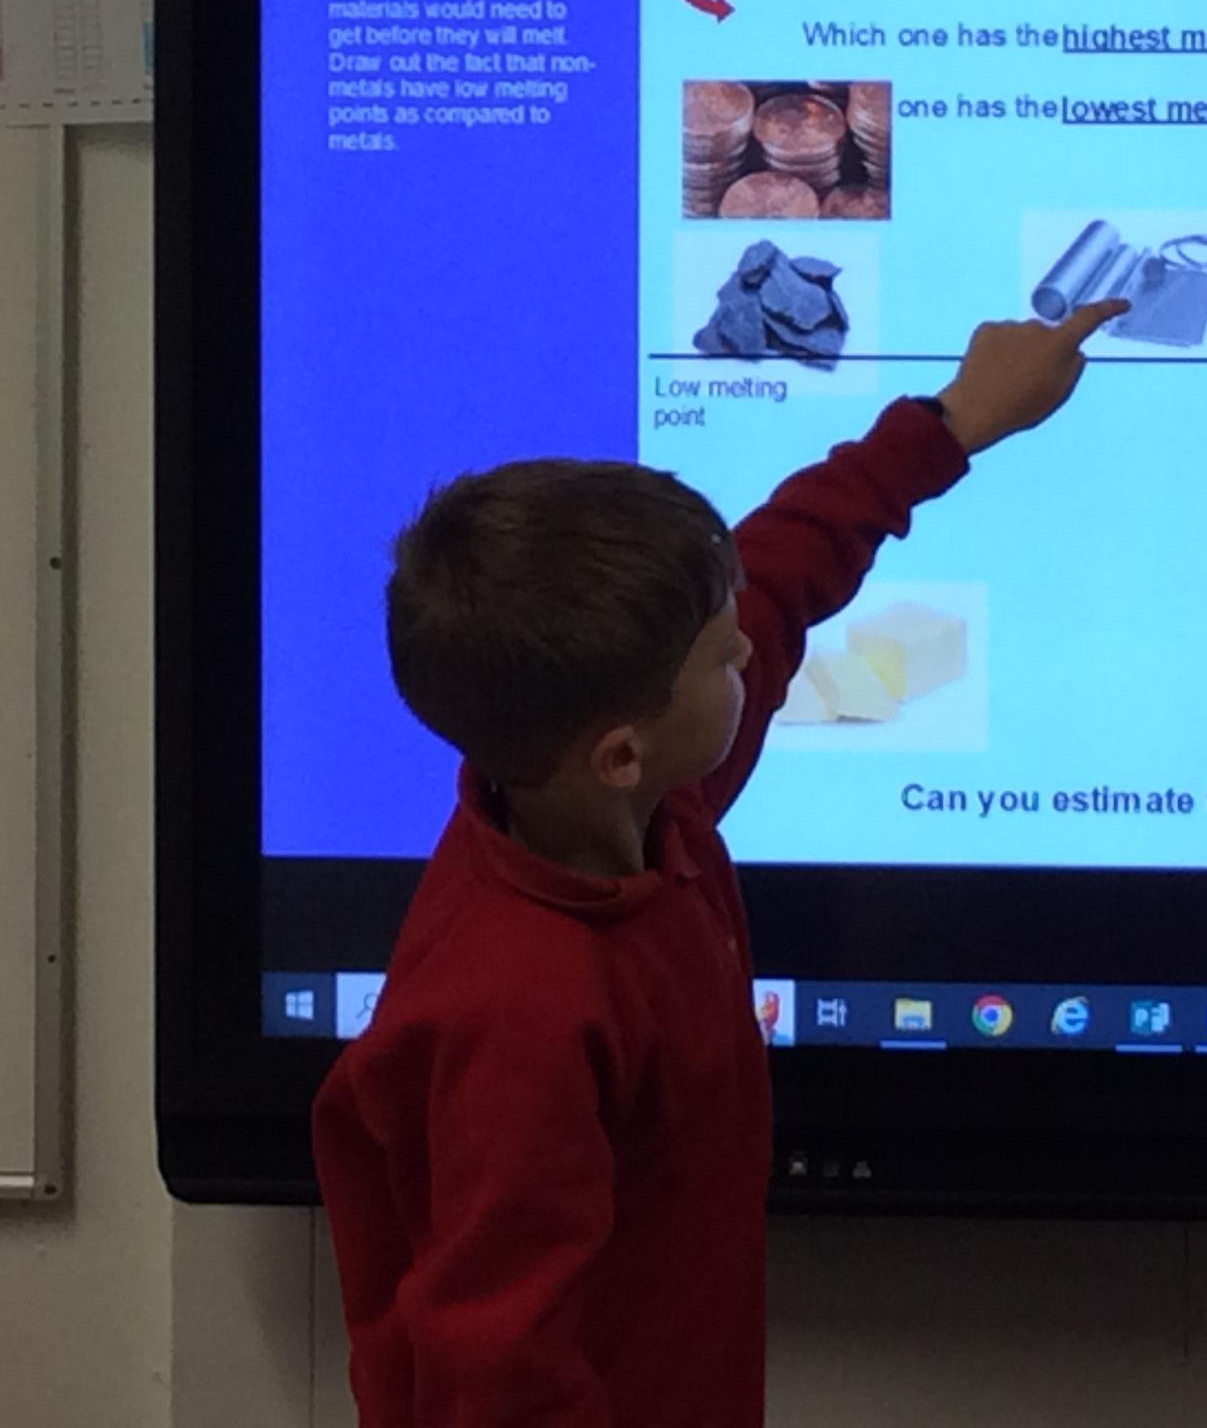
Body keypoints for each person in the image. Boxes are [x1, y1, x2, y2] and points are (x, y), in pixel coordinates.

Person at [312, 300, 1127, 1426]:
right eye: (717, 655)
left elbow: (781, 575)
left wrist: (953, 420)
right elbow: (493, 1363)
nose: (748, 641)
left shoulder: (643, 805)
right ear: (620, 750)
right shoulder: (518, 1013)